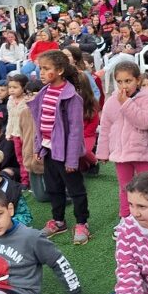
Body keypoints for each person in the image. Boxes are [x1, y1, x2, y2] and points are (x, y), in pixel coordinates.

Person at [28, 50, 90, 245]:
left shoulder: (72, 97)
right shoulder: (44, 92)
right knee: (54, 188)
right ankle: (58, 220)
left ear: (60, 70)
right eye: (40, 69)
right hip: (49, 151)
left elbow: (75, 131)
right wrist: (39, 147)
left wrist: (72, 159)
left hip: (65, 154)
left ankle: (82, 223)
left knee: (75, 189)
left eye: (46, 69)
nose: (41, 73)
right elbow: (40, 124)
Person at [97, 61, 148, 230]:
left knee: (147, 187)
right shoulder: (111, 101)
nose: (124, 86)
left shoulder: (147, 99)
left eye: (128, 81)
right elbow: (105, 127)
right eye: (119, 81)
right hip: (121, 154)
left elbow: (144, 122)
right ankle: (126, 218)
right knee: (125, 188)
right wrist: (103, 152)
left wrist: (126, 103)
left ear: (138, 80)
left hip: (142, 152)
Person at [6, 74, 30, 189]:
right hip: (16, 134)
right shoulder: (10, 100)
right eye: (10, 87)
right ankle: (25, 181)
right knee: (20, 158)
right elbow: (10, 117)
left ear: (24, 87)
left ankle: (34, 179)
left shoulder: (28, 100)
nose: (11, 90)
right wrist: (8, 132)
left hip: (27, 134)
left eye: (15, 87)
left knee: (29, 156)